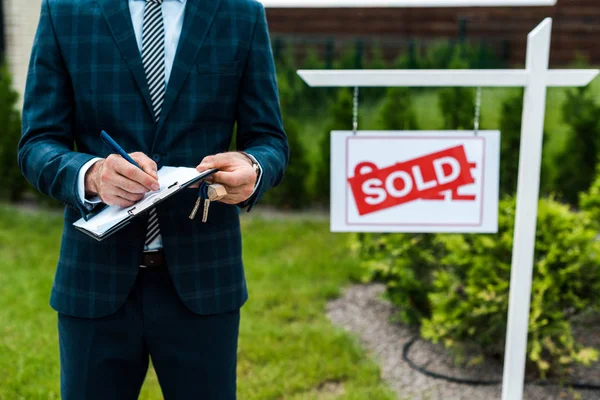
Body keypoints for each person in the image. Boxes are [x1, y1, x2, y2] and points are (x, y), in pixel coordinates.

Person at [17, 0, 288, 398]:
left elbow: (269, 140)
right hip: (94, 279)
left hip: (205, 277)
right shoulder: (65, 10)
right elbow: (37, 143)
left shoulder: (240, 12)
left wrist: (254, 167)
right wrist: (91, 175)